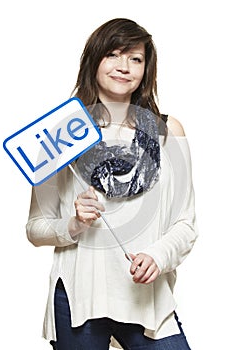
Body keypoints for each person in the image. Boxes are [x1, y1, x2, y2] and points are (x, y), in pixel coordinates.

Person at [26, 18, 198, 350]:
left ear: (146, 70)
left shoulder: (167, 131)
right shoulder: (62, 135)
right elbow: (35, 227)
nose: (124, 67)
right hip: (79, 299)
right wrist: (74, 224)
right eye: (113, 55)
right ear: (94, 61)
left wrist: (158, 256)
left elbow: (185, 223)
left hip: (146, 299)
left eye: (135, 58)